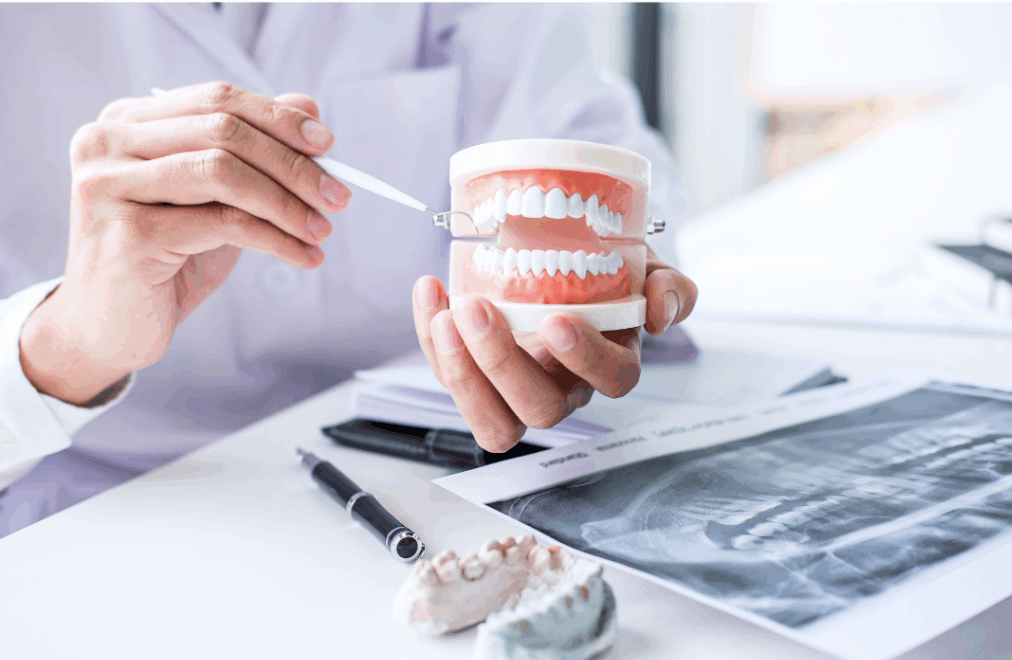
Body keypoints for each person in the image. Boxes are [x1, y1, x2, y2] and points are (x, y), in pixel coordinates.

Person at [0, 3, 696, 538]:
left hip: (424, 477)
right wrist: (63, 348)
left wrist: (608, 284)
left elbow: (596, 144)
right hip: (99, 516)